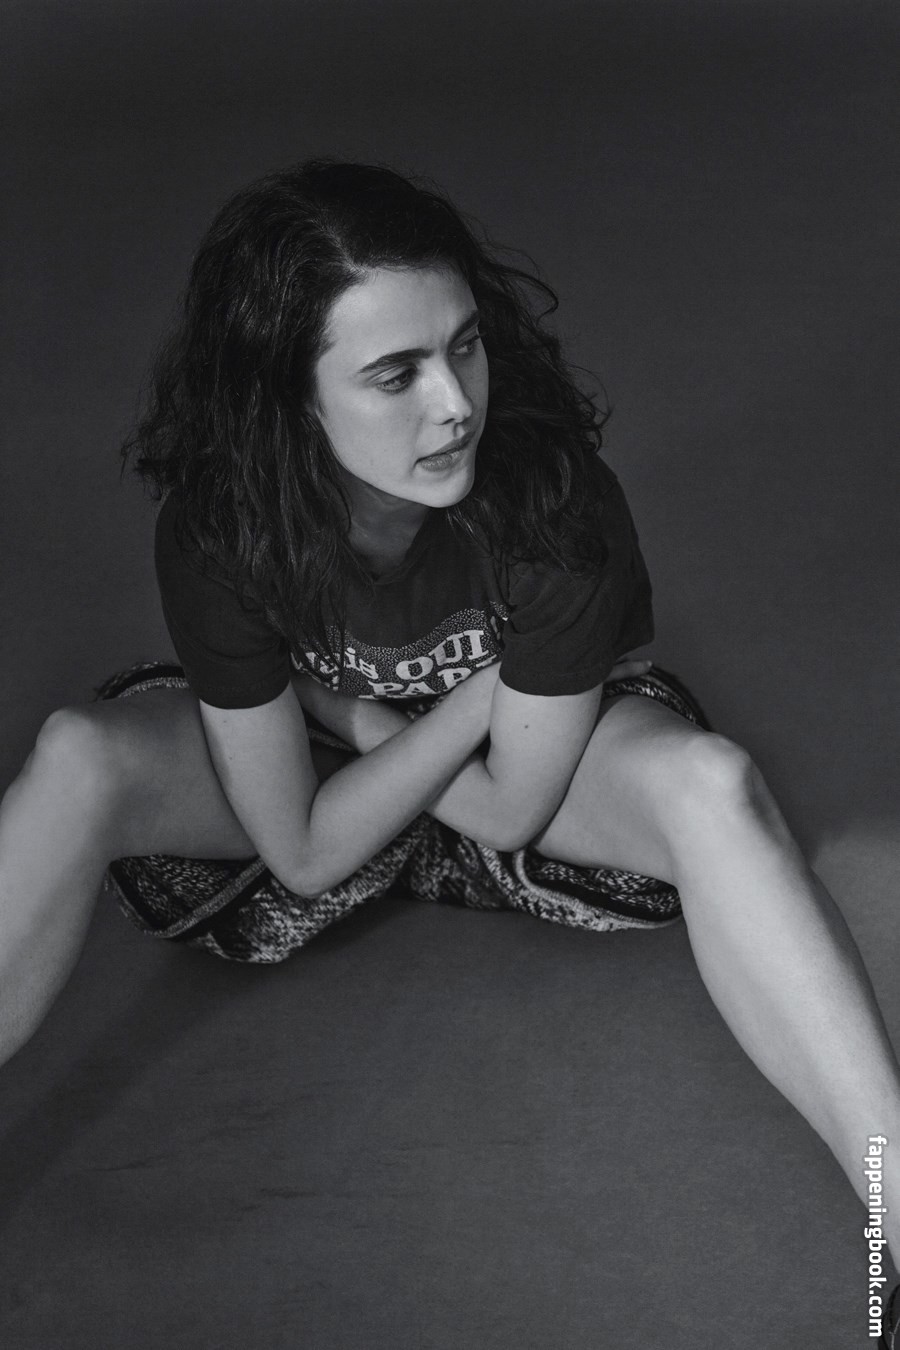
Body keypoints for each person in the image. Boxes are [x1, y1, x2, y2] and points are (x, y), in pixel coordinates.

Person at [1, 159, 898, 1335]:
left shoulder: (551, 496)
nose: (455, 403)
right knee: (78, 754)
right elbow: (302, 853)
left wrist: (351, 703)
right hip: (329, 785)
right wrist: (439, 700)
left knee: (714, 784)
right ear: (289, 398)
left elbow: (511, 811)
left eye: (463, 346)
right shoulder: (224, 526)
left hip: (521, 777)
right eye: (395, 374)